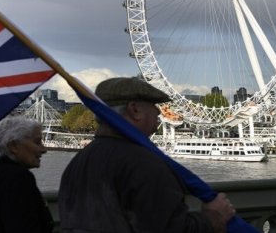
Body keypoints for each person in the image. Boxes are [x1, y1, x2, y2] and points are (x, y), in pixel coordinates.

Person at [58, 77, 235, 233]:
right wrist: (212, 219)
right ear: (134, 110)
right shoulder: (144, 164)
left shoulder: (78, 162)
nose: (159, 112)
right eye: (153, 105)